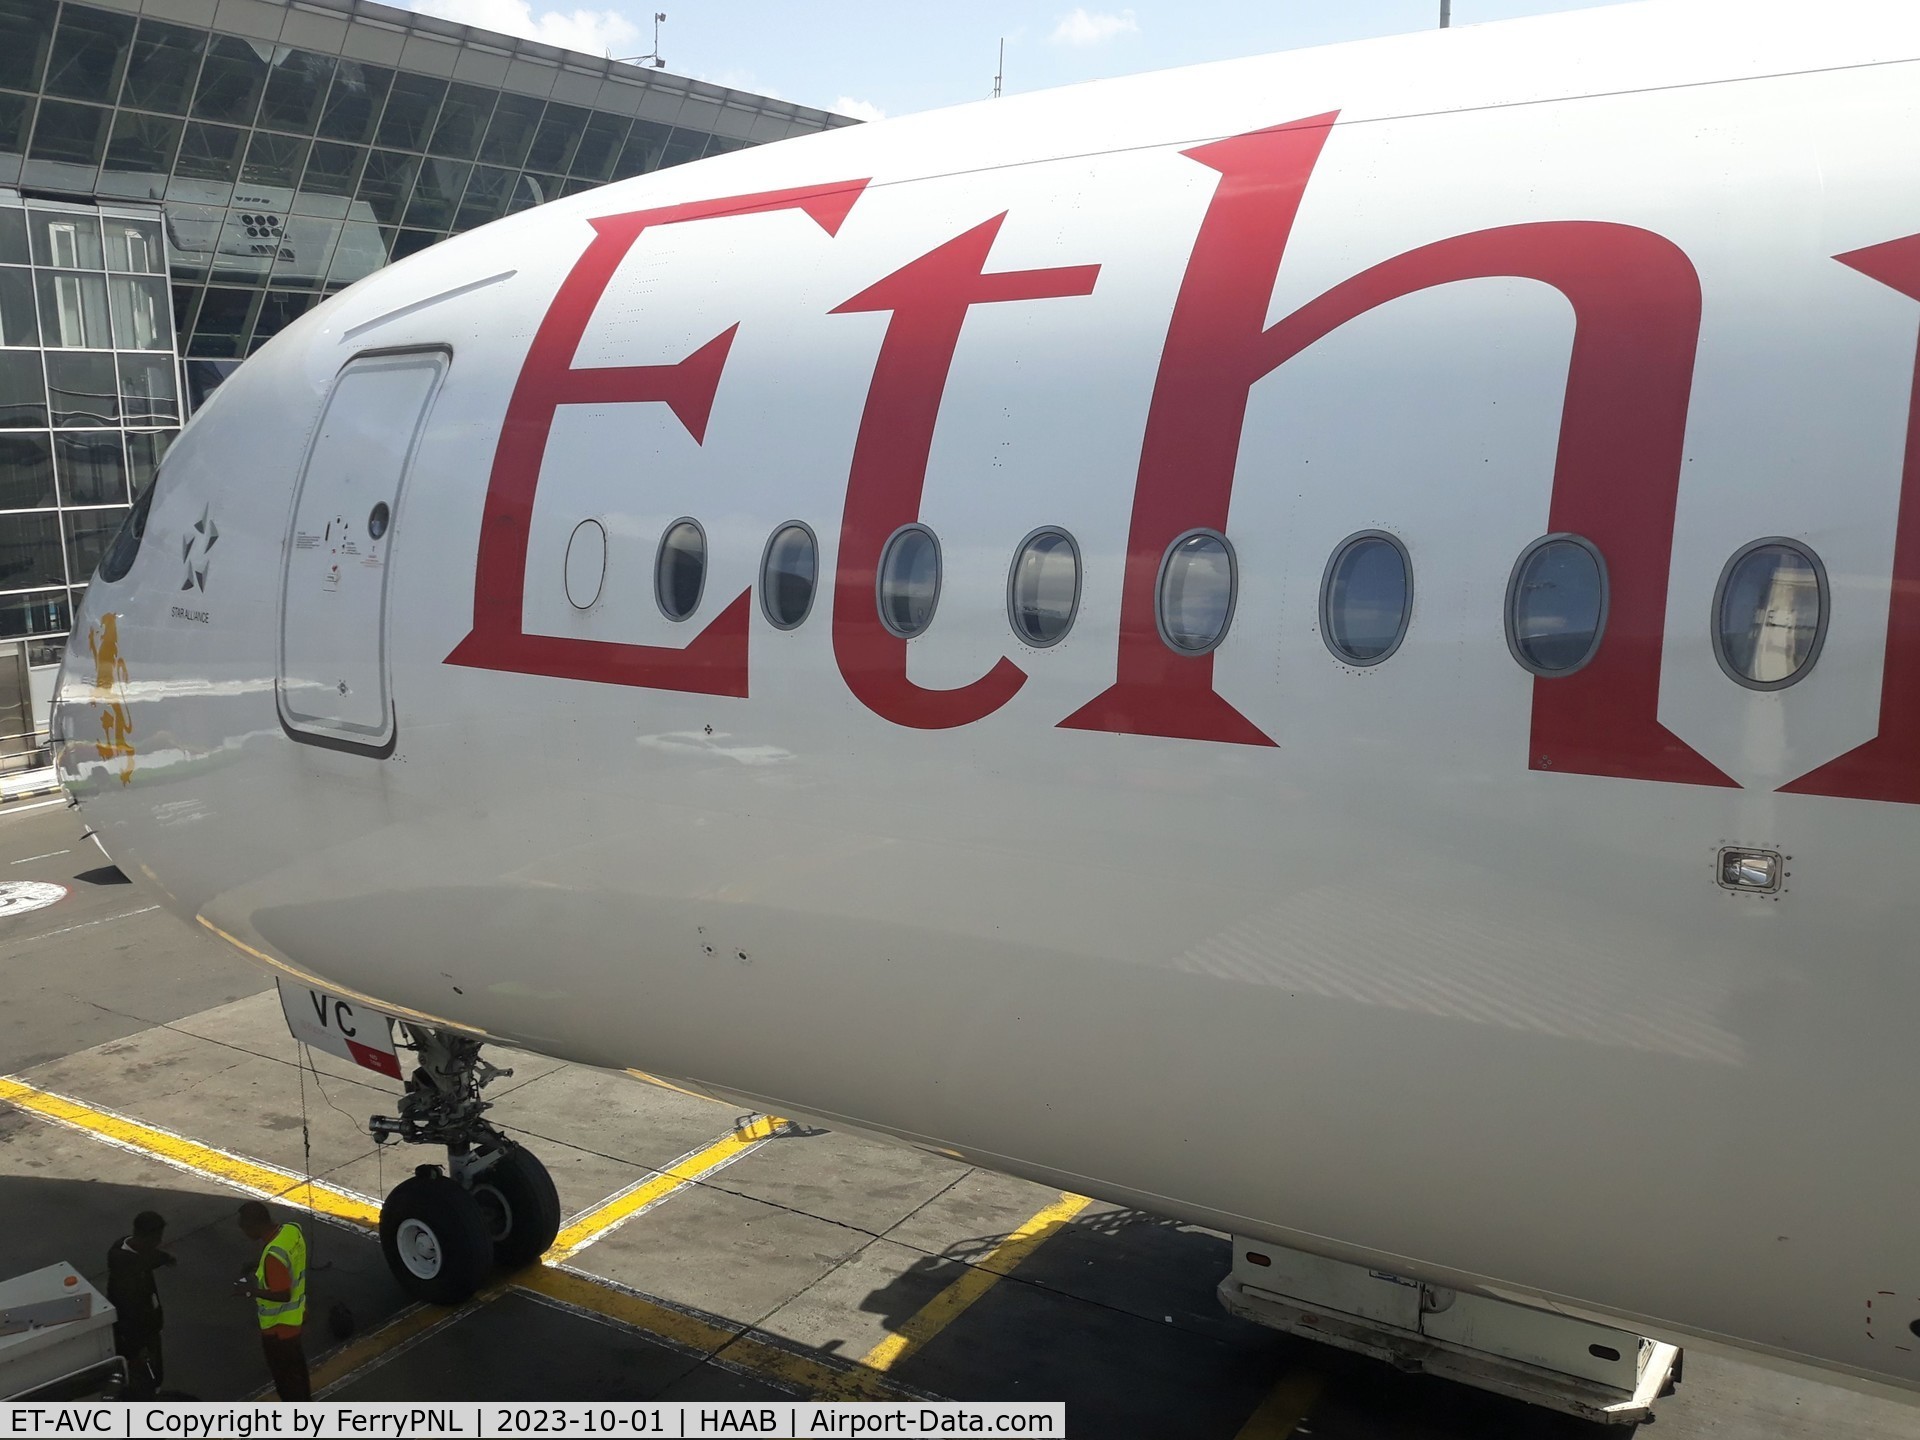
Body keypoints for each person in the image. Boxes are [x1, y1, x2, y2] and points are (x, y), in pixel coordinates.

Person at [233, 1201, 309, 1400]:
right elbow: (288, 1261)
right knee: (298, 1371)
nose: (244, 1233)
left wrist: (250, 1292)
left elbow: (284, 1295)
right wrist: (257, 1263)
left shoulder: (273, 1257)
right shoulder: (291, 1231)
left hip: (279, 1329)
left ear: (254, 1226)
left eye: (244, 1227)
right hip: (296, 1317)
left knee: (286, 1380)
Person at [105, 1210, 173, 1399]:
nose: (159, 1242)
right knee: (146, 1377)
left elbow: (148, 1258)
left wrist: (164, 1258)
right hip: (140, 1339)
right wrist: (137, 1349)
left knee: (151, 1373)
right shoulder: (128, 1276)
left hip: (148, 1332)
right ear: (148, 1238)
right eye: (157, 1238)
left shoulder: (130, 1250)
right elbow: (128, 1315)